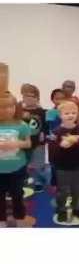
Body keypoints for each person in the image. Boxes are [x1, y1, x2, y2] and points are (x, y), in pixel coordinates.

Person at [53, 101, 79, 223]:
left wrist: (77, 140)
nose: (70, 115)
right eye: (66, 113)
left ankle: (76, 207)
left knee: (77, 189)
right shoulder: (56, 131)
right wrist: (62, 144)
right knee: (63, 190)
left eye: (73, 113)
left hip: (77, 164)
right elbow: (52, 148)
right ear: (60, 115)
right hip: (62, 166)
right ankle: (61, 208)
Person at [0, 92, 32, 228]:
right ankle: (1, 221)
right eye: (2, 107)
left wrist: (17, 144)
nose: (7, 110)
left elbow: (28, 143)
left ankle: (19, 218)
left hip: (17, 168)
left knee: (17, 195)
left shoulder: (21, 125)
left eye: (11, 106)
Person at [19, 84, 48, 192]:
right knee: (23, 163)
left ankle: (39, 181)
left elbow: (46, 125)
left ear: (37, 98)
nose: (29, 99)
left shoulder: (42, 112)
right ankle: (23, 179)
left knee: (39, 164)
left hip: (38, 143)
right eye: (26, 96)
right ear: (22, 98)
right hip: (23, 142)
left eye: (32, 96)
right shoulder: (19, 112)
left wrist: (44, 133)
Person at [46, 89, 65, 188]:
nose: (60, 101)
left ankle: (64, 182)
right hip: (54, 142)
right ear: (52, 100)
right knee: (54, 163)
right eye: (57, 99)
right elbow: (51, 127)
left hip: (65, 141)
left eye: (62, 99)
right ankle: (54, 183)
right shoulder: (50, 112)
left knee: (65, 162)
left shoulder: (68, 112)